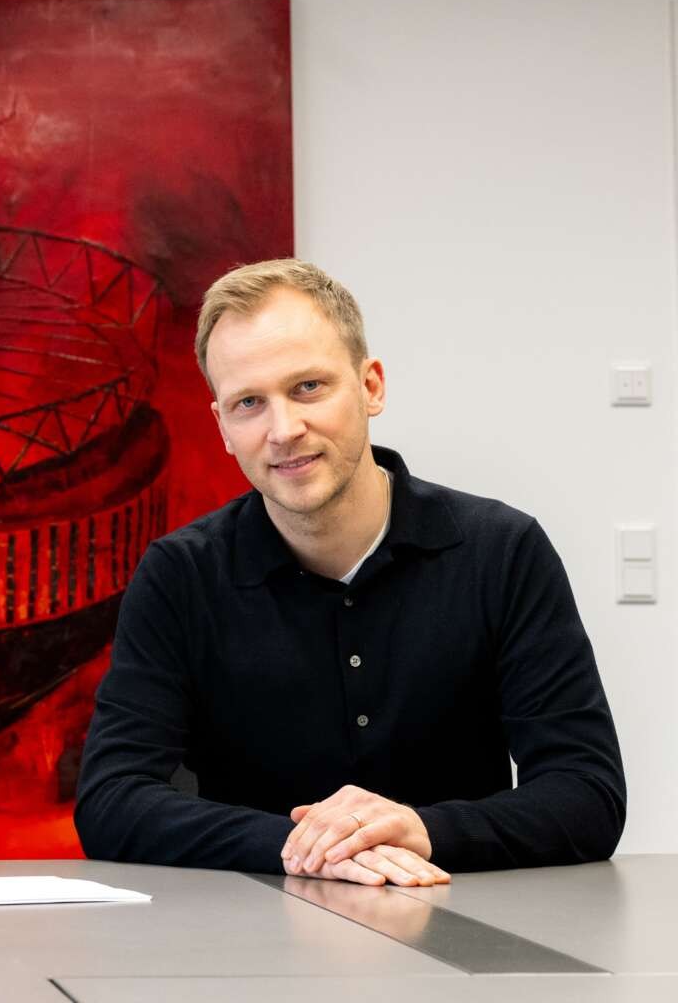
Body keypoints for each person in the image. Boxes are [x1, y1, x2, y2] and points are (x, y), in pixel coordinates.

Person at [76, 258, 625, 885]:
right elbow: (111, 800)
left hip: (465, 920)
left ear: (371, 387)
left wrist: (423, 830)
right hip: (247, 928)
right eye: (249, 402)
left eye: (308, 387)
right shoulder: (180, 575)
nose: (284, 430)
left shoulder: (502, 551)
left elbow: (587, 793)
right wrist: (305, 848)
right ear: (222, 426)